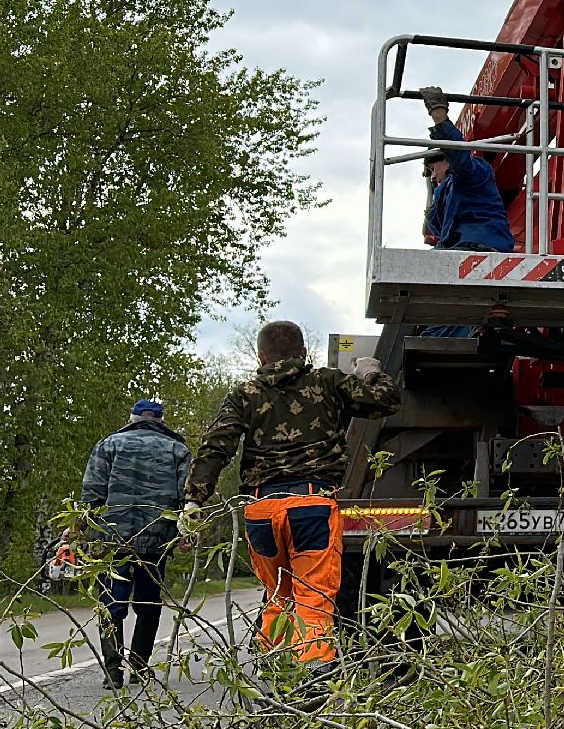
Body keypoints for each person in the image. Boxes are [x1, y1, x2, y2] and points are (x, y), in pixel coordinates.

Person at [182, 321, 400, 685]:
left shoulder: (245, 394)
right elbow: (386, 401)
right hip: (311, 506)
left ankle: (272, 671)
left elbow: (216, 447)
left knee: (279, 595)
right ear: (303, 352)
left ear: (261, 357)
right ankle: (313, 680)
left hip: (262, 510)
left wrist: (194, 499)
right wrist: (369, 372)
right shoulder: (328, 382)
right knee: (312, 596)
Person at [76, 399, 190, 690]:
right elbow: (185, 497)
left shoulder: (109, 445)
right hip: (157, 538)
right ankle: (140, 666)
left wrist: (77, 528)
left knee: (111, 603)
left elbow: (92, 493)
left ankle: (113, 672)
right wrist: (187, 533)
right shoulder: (178, 449)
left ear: (132, 418)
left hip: (111, 539)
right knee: (149, 603)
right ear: (161, 420)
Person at [419, 86, 514, 253]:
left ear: (447, 160)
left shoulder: (476, 171)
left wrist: (439, 116)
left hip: (481, 244)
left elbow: (460, 157)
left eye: (433, 169)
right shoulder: (446, 192)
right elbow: (435, 226)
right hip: (459, 246)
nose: (433, 176)